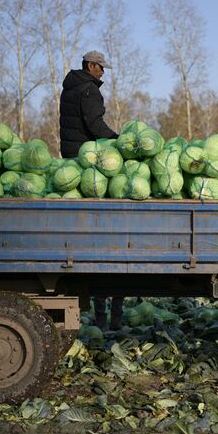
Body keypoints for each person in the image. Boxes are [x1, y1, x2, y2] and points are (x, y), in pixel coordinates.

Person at [58, 50, 123, 330]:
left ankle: (101, 318)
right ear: (91, 66)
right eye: (100, 68)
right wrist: (118, 141)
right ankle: (110, 319)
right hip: (87, 157)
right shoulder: (88, 90)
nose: (103, 73)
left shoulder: (70, 88)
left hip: (72, 155)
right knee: (107, 240)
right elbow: (95, 125)